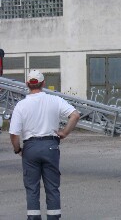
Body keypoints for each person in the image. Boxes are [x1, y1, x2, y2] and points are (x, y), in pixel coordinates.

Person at [9, 69, 80, 220]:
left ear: (27, 84)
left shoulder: (21, 105)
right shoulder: (54, 100)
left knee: (32, 188)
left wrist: (18, 150)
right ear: (43, 84)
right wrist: (65, 132)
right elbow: (75, 115)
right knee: (52, 188)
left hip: (30, 148)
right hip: (50, 146)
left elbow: (14, 134)